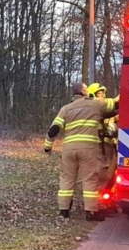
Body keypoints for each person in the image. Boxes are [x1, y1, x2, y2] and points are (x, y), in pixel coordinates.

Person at [43, 82, 114, 221]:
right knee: (89, 179)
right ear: (84, 92)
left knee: (66, 179)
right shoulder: (94, 104)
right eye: (86, 89)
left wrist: (47, 147)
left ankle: (64, 211)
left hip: (69, 149)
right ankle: (91, 212)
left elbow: (54, 130)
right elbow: (113, 104)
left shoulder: (65, 108)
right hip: (88, 149)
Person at [88, 83, 120, 194]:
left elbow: (113, 114)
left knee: (112, 172)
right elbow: (113, 108)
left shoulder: (104, 110)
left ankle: (107, 196)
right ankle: (100, 202)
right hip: (100, 147)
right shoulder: (94, 108)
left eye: (103, 93)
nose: (102, 96)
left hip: (110, 145)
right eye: (99, 94)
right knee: (103, 175)